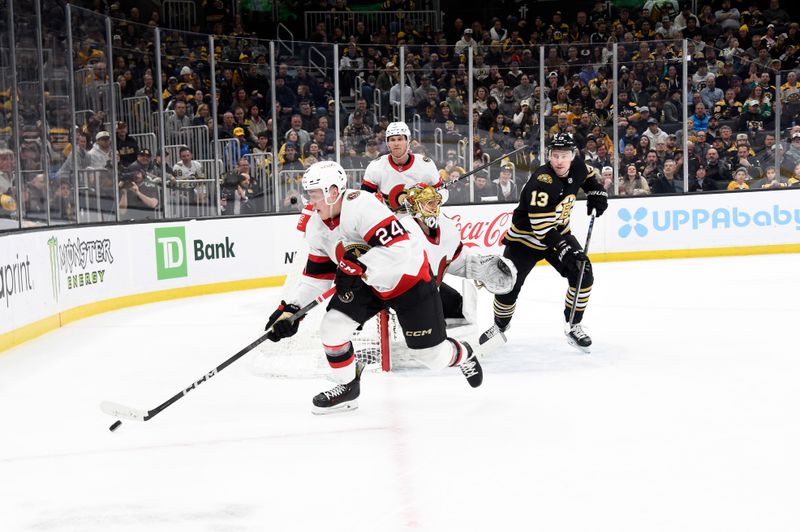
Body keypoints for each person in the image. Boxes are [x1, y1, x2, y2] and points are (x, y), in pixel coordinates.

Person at [264, 161, 505, 414]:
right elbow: (316, 277)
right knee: (332, 327)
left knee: (432, 357)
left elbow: (399, 250)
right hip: (369, 284)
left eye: (314, 195)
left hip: (408, 279)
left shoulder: (362, 205)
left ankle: (463, 353)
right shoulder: (316, 226)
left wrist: (358, 266)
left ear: (333, 191)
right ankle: (348, 389)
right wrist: (291, 309)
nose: (311, 202)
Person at [480, 133, 608, 353]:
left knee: (582, 272)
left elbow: (587, 177)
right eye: (555, 155)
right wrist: (564, 248)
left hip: (558, 232)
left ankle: (574, 325)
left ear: (572, 155)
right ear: (549, 155)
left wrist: (596, 190)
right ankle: (499, 326)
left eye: (564, 155)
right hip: (525, 239)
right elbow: (541, 228)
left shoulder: (577, 166)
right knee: (507, 286)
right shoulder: (542, 181)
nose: (559, 160)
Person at [400, 183, 517, 324]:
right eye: (428, 203)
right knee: (431, 323)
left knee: (457, 307)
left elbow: (455, 259)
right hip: (406, 296)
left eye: (436, 202)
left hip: (431, 291)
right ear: (414, 207)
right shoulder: (404, 232)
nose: (434, 207)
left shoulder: (446, 226)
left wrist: (478, 267)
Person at [360, 122, 442, 210]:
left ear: (408, 141)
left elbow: (443, 191)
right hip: (388, 220)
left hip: (419, 218)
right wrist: (375, 202)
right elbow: (364, 198)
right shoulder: (375, 166)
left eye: (400, 139)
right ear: (387, 143)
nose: (396, 143)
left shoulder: (425, 164)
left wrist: (432, 199)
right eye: (392, 140)